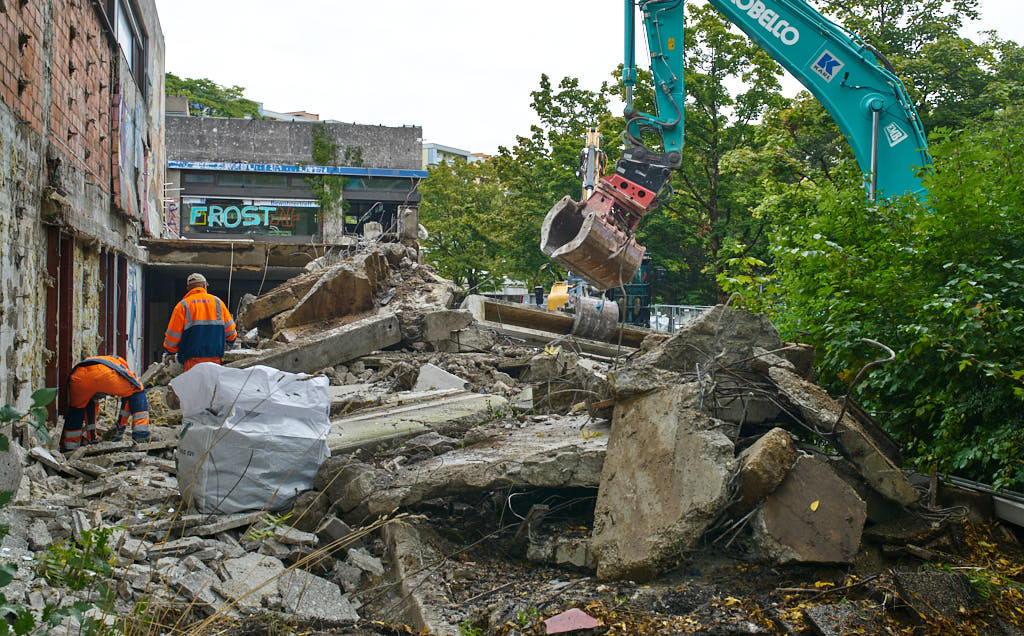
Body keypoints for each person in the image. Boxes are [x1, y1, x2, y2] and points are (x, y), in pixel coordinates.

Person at [62, 355, 150, 451]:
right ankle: (141, 433)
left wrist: (92, 438)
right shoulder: (122, 365)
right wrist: (120, 427)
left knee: (77, 409)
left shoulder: (102, 359)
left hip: (79, 378)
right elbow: (128, 397)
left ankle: (70, 447)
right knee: (137, 389)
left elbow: (91, 408)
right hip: (105, 374)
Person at [162, 273, 238, 371]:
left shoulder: (182, 306)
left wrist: (170, 352)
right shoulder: (218, 302)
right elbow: (231, 332)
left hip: (192, 360)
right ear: (204, 285)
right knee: (213, 385)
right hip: (215, 359)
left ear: (188, 288)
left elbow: (173, 337)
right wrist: (228, 344)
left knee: (194, 385)